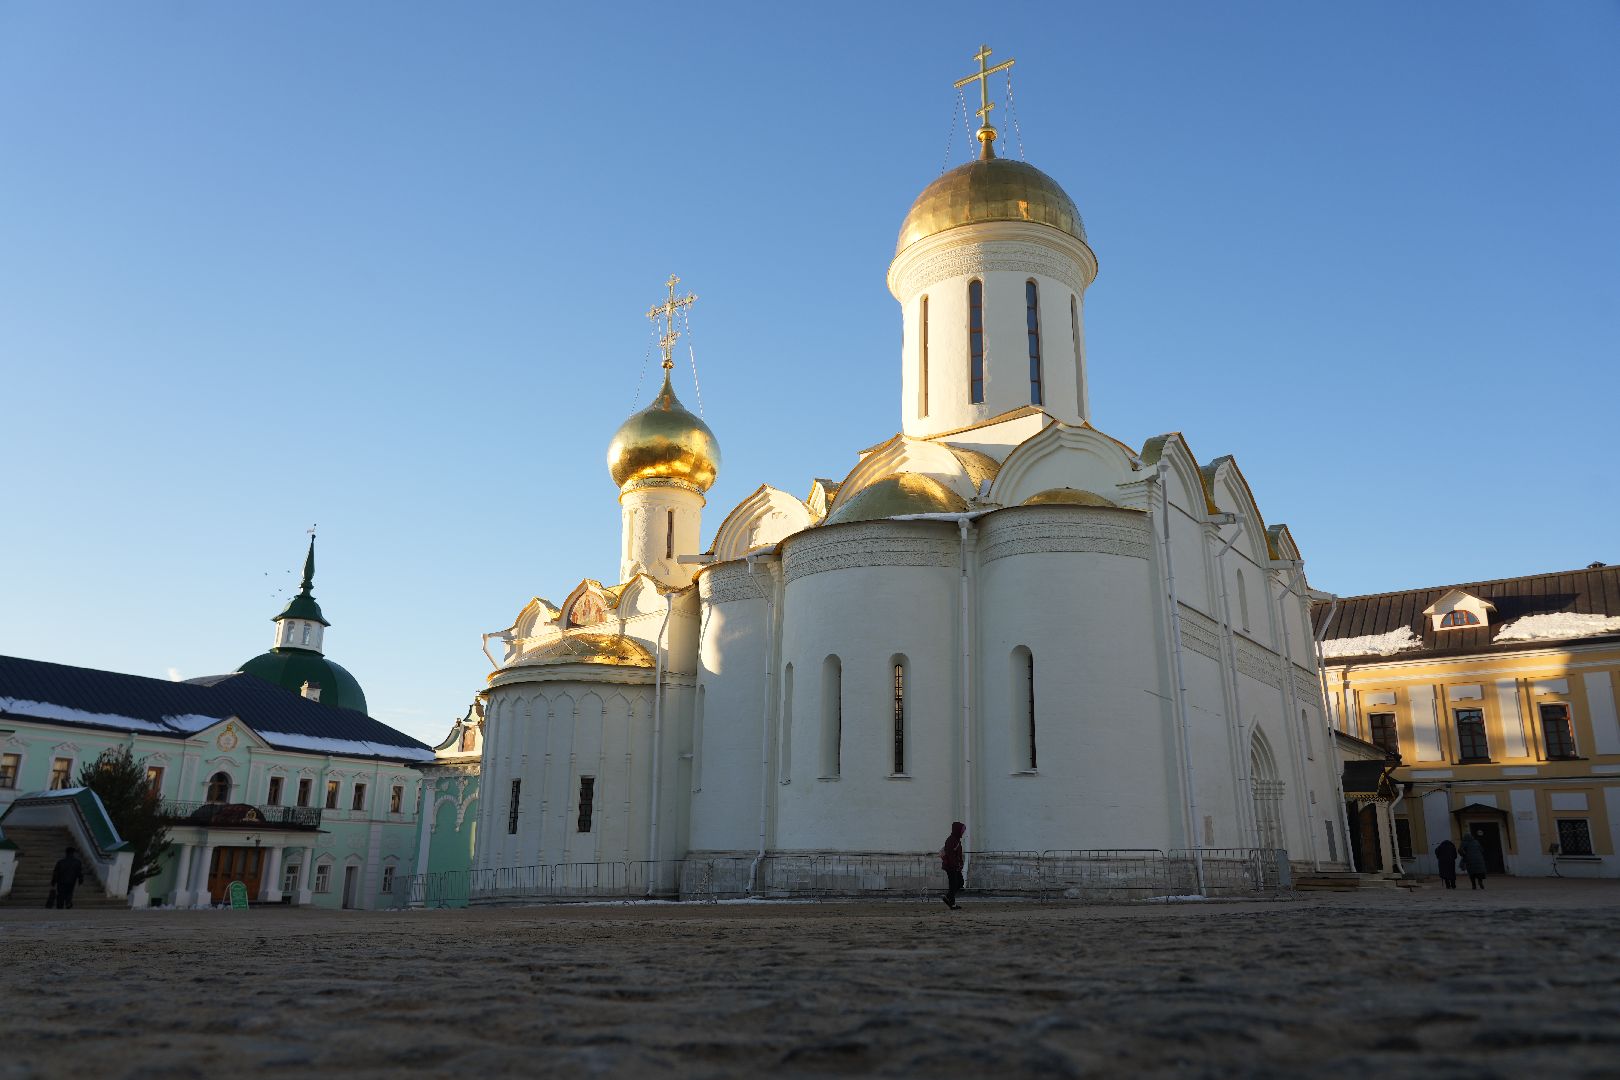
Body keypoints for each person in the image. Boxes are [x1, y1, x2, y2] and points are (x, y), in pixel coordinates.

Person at [940, 821, 966, 910]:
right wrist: (956, 865)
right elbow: (950, 855)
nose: (963, 832)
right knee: (954, 884)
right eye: (962, 830)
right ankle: (951, 902)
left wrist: (960, 864)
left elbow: (958, 854)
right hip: (951, 867)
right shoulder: (951, 840)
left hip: (955, 867)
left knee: (959, 883)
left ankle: (949, 898)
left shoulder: (956, 839)